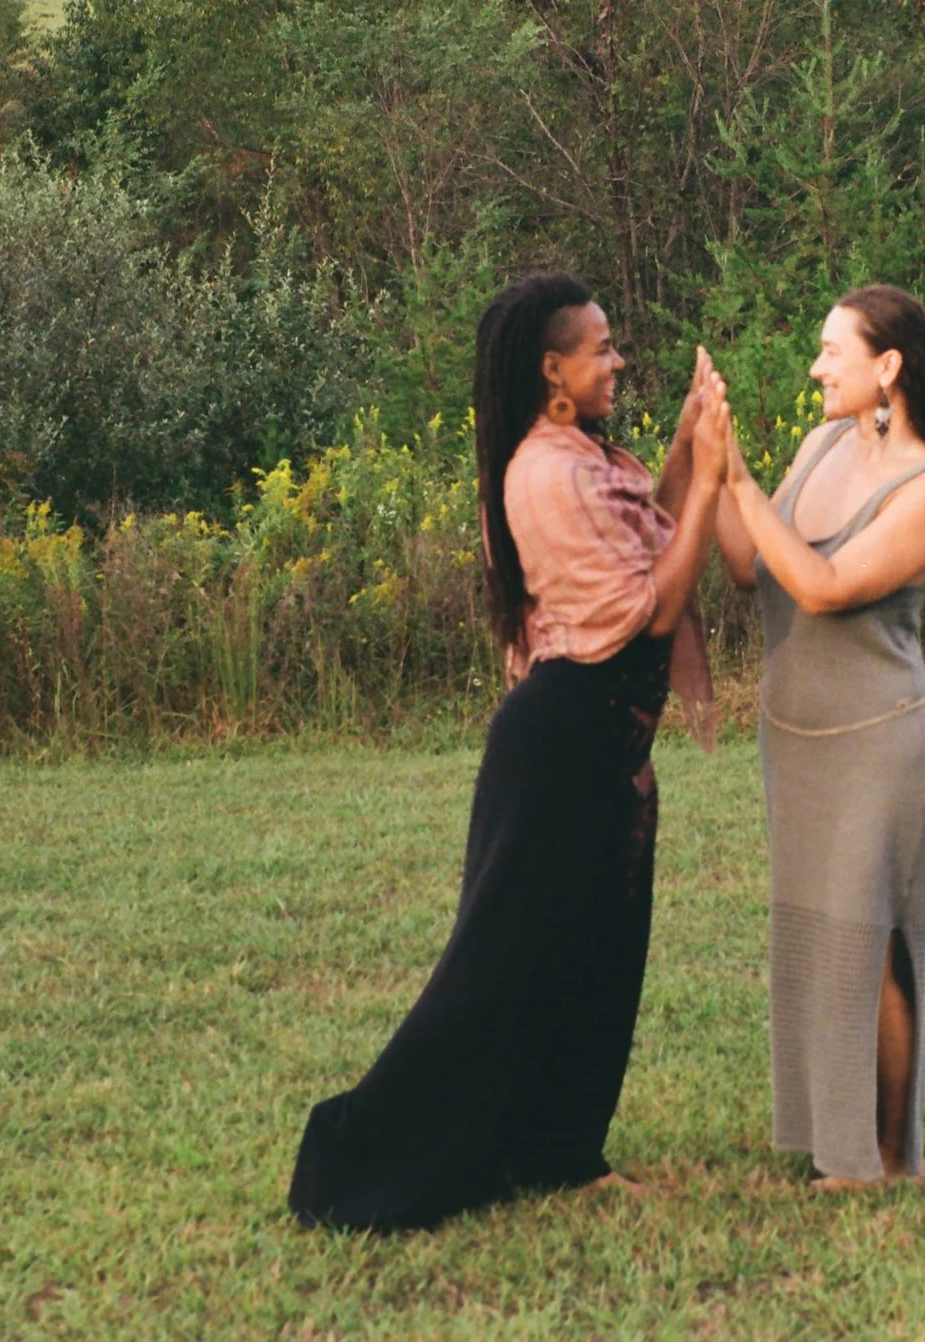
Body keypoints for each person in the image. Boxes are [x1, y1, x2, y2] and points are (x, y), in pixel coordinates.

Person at [288, 273, 731, 1232]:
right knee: (501, 972)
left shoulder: (583, 456)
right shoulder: (549, 472)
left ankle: (567, 1153)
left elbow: (647, 530)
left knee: (598, 960)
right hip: (559, 748)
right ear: (553, 371)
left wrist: (693, 448)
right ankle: (357, 1156)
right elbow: (649, 603)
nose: (618, 362)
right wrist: (718, 469)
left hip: (598, 747)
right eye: (602, 349)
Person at [712, 285, 925, 1189]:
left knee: (877, 942)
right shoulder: (821, 443)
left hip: (879, 742)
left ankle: (889, 1160)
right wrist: (715, 470)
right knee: (821, 939)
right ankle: (837, 1140)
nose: (816, 366)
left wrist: (740, 482)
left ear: (886, 368)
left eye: (832, 350)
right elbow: (751, 566)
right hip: (796, 736)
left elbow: (822, 587)